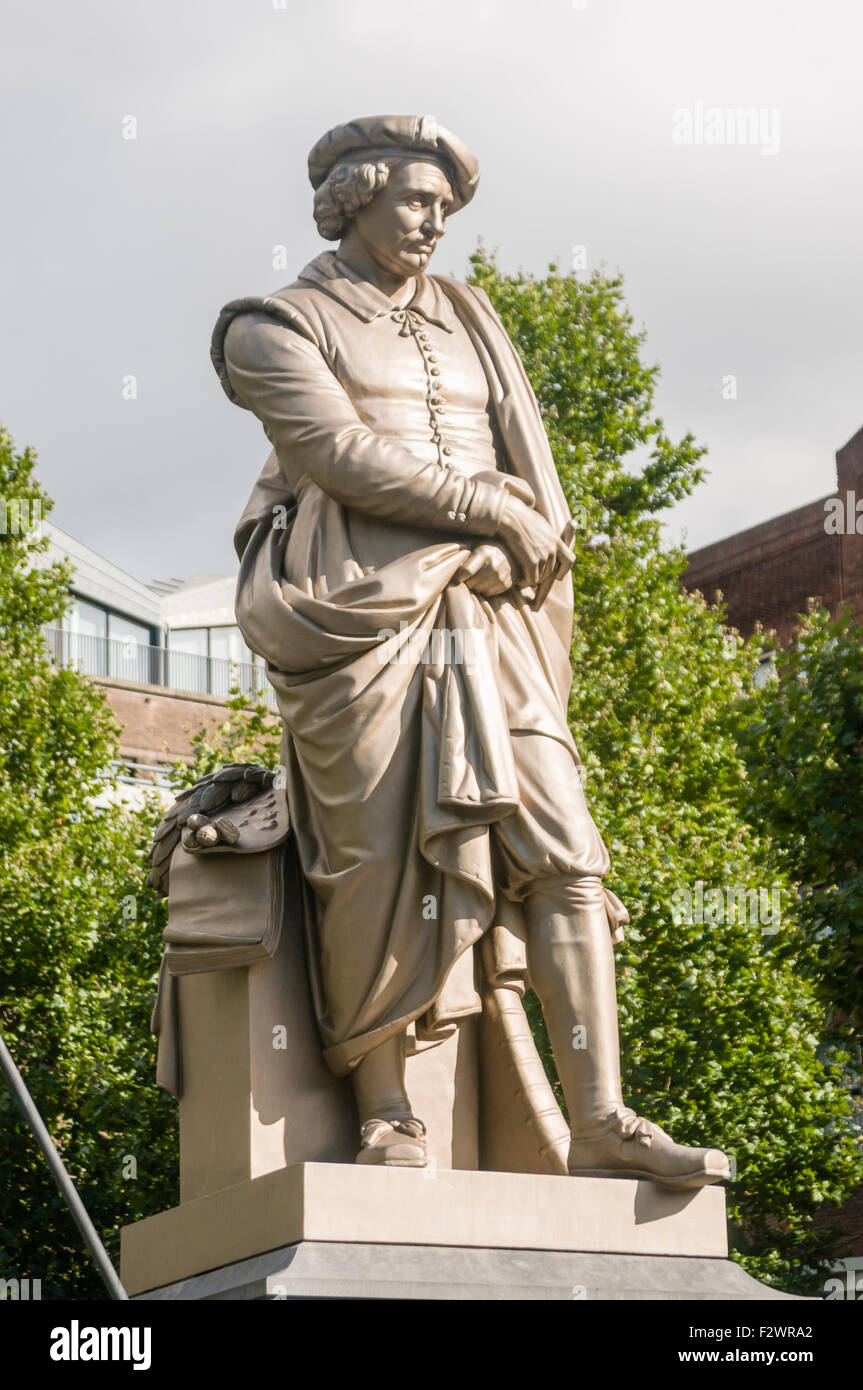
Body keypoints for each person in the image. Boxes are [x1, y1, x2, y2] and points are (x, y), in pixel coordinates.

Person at [210, 115, 729, 1188]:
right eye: (414, 200)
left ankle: (597, 1116)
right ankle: (389, 1113)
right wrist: (487, 509)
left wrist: (518, 545)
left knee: (566, 851)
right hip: (359, 621)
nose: (433, 222)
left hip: (490, 622)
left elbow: (531, 472)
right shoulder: (271, 327)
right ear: (352, 197)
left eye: (445, 208)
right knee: (374, 866)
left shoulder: (470, 318)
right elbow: (338, 452)